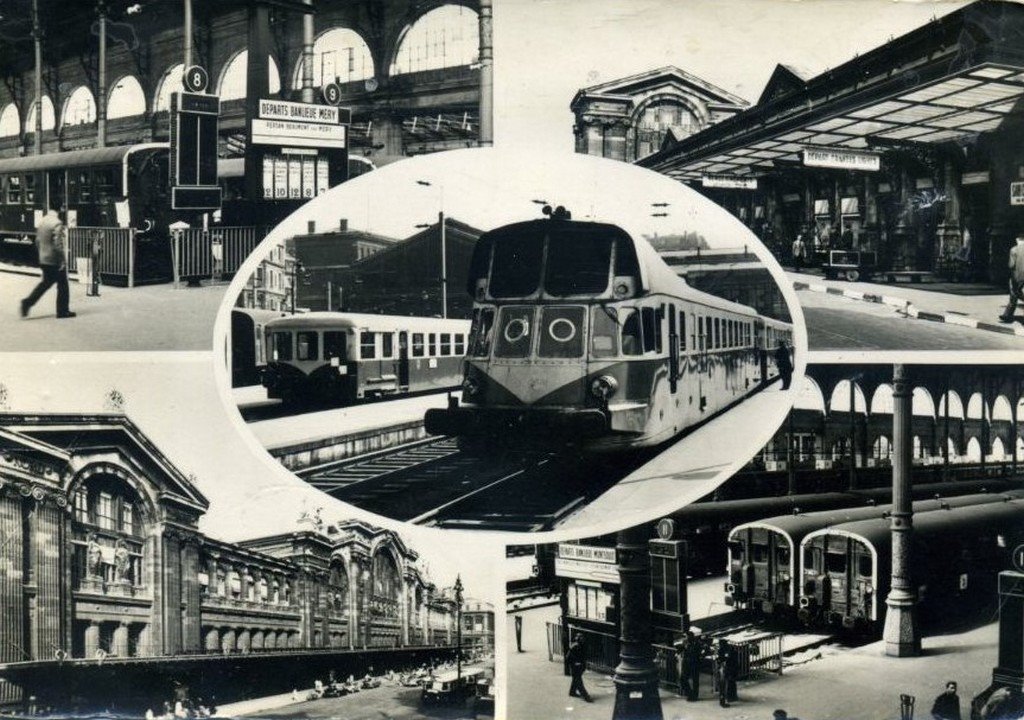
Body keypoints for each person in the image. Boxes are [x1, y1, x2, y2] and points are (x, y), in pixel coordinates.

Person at [20, 208, 75, 319]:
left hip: (43, 258)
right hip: (54, 260)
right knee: (63, 285)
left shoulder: (43, 221)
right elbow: (58, 244)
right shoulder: (57, 223)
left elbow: (37, 240)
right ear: (59, 210)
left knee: (46, 283)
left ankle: (27, 302)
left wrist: (41, 254)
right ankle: (62, 311)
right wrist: (63, 260)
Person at [999, 235, 1024, 323]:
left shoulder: (1014, 249)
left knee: (1014, 293)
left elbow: (1011, 265)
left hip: (1018, 276)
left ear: (1017, 240)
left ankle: (1008, 315)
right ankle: (1007, 314)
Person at [566, 636, 592, 703]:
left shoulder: (580, 646)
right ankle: (585, 696)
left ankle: (572, 692)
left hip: (578, 666)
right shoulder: (575, 647)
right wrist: (575, 662)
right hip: (575, 667)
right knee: (578, 681)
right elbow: (568, 658)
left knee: (576, 679)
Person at [715, 639, 737, 708]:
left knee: (722, 685)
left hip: (724, 669)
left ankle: (723, 700)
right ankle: (724, 701)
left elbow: (721, 659)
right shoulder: (728, 649)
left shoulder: (721, 650)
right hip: (726, 669)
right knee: (724, 685)